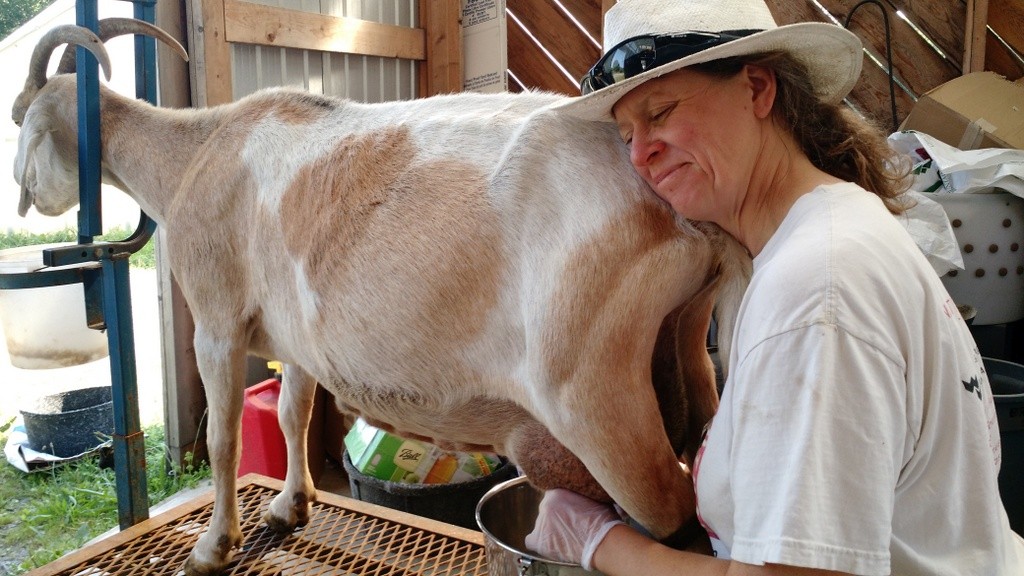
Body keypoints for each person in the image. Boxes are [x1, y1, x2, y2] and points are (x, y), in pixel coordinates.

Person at [524, 0, 1024, 575]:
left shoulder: (815, 291)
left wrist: (599, 544)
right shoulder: (826, 233)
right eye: (625, 134)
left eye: (659, 112)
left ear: (757, 89)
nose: (640, 153)